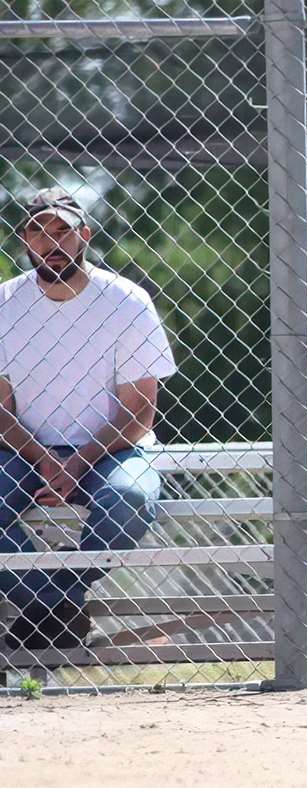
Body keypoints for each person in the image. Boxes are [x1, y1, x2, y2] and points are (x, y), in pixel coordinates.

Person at [0, 188, 176, 650]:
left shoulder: (125, 301)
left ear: (84, 235)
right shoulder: (5, 303)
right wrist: (41, 456)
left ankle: (51, 602)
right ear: (24, 242)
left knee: (130, 498)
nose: (51, 242)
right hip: (22, 450)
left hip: (112, 449)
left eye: (63, 231)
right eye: (39, 232)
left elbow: (139, 411)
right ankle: (55, 607)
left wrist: (79, 460)